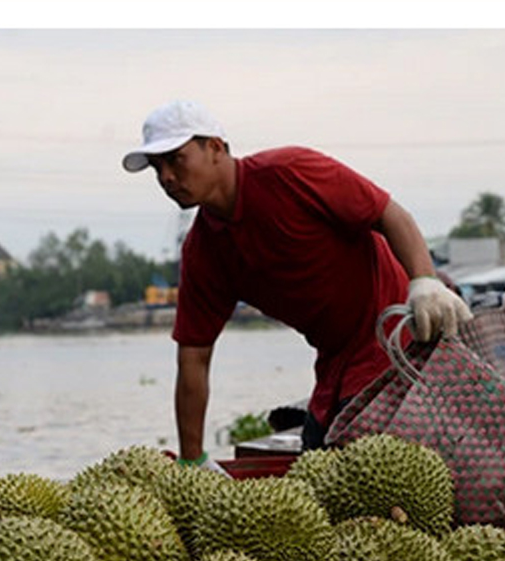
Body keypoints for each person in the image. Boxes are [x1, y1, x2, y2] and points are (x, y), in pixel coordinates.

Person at [122, 99, 471, 468]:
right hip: (335, 360)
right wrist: (192, 459)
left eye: (176, 158)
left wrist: (424, 282)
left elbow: (389, 214)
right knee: (316, 462)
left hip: (395, 338)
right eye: (157, 168)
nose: (166, 177)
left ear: (215, 148)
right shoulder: (203, 252)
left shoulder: (290, 172)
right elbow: (194, 354)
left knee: (355, 470)